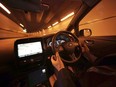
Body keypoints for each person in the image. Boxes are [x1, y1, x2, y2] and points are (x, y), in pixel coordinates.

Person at [50, 43, 116, 87]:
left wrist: (60, 68)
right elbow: (104, 63)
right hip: (90, 74)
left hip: (80, 83)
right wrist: (89, 54)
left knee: (51, 77)